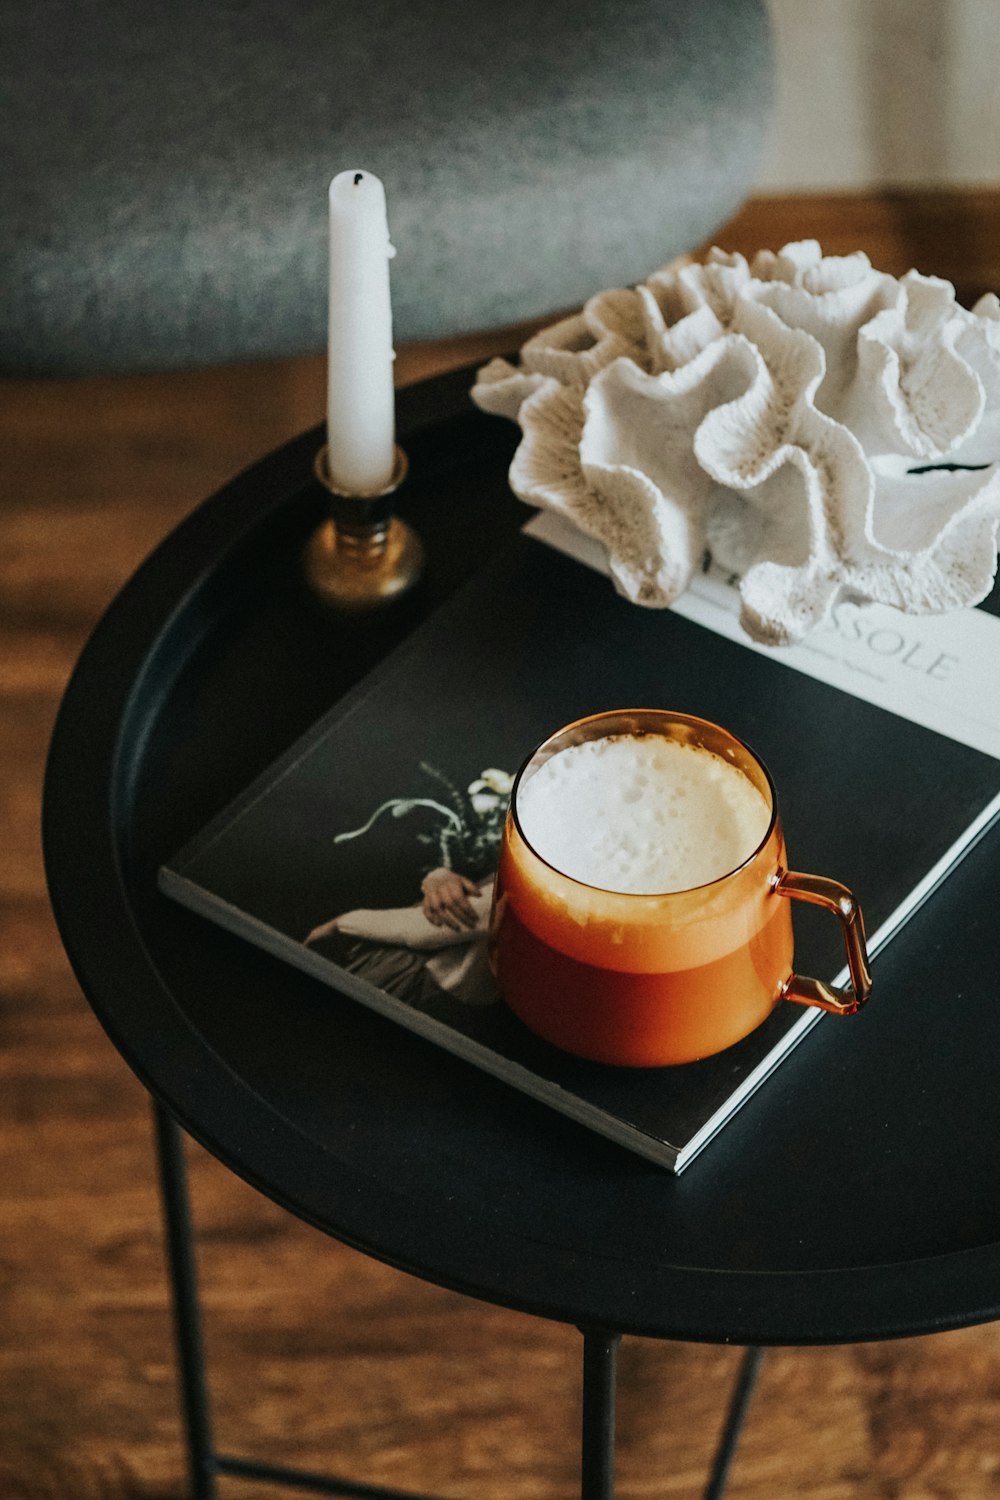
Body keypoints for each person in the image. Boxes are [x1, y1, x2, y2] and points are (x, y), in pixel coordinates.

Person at [304, 866, 498, 1010]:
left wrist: (343, 923)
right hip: (438, 998)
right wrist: (439, 874)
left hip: (412, 985)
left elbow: (425, 931)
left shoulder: (521, 879)